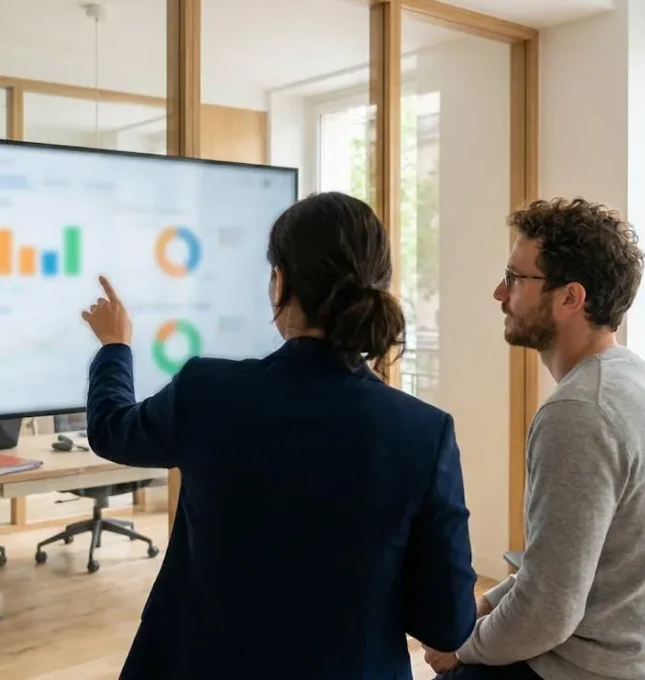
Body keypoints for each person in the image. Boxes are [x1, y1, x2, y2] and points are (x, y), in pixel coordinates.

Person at [81, 191, 477, 680]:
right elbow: (448, 625)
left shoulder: (209, 390)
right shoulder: (424, 431)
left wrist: (116, 346)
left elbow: (110, 429)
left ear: (279, 282)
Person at [425, 198, 645, 680]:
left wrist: (462, 650)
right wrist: (484, 606)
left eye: (515, 278)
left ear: (571, 298)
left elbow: (548, 613)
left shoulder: (579, 413)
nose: (498, 292)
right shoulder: (637, 380)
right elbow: (554, 567)